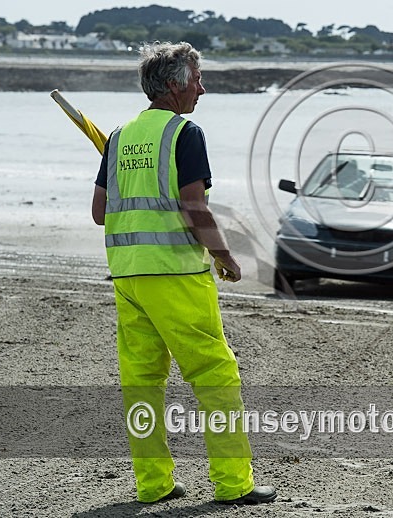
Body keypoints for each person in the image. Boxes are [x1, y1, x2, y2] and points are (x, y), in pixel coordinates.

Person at [91, 41, 276, 506]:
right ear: (175, 85)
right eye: (197, 79)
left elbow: (100, 212)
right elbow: (194, 205)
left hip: (127, 276)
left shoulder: (118, 136)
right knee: (215, 373)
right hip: (175, 273)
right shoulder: (183, 134)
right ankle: (234, 483)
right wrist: (224, 255)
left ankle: (153, 484)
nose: (203, 89)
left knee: (142, 381)